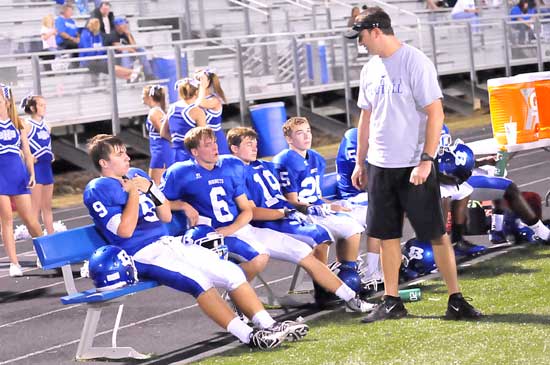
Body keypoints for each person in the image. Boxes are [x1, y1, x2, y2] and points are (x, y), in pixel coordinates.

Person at [83, 134, 307, 349]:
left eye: (125, 152)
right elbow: (124, 231)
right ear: (104, 162)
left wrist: (150, 189)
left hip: (168, 242)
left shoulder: (135, 175)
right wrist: (133, 194)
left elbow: (166, 216)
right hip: (141, 253)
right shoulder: (97, 189)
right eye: (119, 154)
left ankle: (269, 325)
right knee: (199, 281)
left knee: (232, 273)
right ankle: (248, 335)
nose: (127, 157)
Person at [345, 7, 481, 322]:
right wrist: (360, 161)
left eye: (362, 36)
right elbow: (366, 117)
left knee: (435, 233)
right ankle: (392, 300)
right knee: (387, 234)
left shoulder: (415, 62)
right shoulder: (369, 69)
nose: (360, 43)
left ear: (376, 30)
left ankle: (456, 299)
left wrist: (425, 160)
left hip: (413, 166)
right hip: (380, 165)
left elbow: (436, 113)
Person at [226, 126, 374, 312]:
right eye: (249, 144)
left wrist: (309, 207)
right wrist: (285, 212)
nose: (255, 148)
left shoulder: (265, 166)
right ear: (234, 148)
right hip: (264, 224)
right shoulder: (234, 172)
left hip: (284, 215)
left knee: (321, 236)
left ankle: (344, 294)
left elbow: (289, 199)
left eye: (255, 143)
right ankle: (325, 291)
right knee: (317, 239)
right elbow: (253, 212)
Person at [272, 117, 366, 290]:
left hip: (317, 209)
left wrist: (331, 205)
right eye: (300, 133)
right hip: (299, 214)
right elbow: (292, 202)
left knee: (353, 228)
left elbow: (316, 194)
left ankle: (346, 271)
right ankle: (322, 286)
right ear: (289, 139)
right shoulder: (284, 161)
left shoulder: (317, 158)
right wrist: (326, 207)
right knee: (323, 236)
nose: (307, 136)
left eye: (308, 131)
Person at [0, 85, 43, 277]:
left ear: (7, 101)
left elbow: (27, 152)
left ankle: (44, 252)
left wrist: (32, 173)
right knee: (6, 219)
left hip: (18, 174)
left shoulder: (20, 124)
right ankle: (14, 263)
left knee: (30, 220)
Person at [20, 95, 55, 236]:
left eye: (45, 105)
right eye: (41, 105)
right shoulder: (26, 125)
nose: (44, 108)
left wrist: (51, 155)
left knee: (47, 207)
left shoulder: (47, 125)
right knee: (35, 208)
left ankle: (52, 237)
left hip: (47, 168)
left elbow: (47, 145)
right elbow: (18, 146)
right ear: (33, 108)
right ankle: (38, 242)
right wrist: (26, 157)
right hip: (35, 169)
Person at [163, 78, 206, 162]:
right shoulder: (196, 111)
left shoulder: (172, 108)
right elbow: (204, 136)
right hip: (191, 154)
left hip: (174, 153)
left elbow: (163, 132)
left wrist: (177, 142)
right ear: (196, 92)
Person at [142, 85, 173, 185]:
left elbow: (164, 133)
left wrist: (176, 141)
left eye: (143, 95)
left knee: (156, 186)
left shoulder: (154, 112)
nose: (142, 97)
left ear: (150, 97)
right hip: (158, 151)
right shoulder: (157, 111)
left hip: (160, 151)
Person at [195, 69, 230, 155]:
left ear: (208, 82)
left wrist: (202, 86)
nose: (197, 83)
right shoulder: (196, 98)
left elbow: (200, 103)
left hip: (215, 138)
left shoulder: (214, 100)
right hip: (202, 138)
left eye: (200, 80)